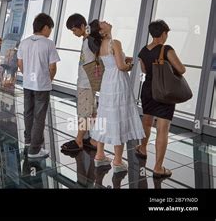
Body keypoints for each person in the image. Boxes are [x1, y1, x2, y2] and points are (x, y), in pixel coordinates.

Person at [88, 20, 145, 172]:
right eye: (102, 23)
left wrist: (124, 61)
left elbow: (112, 63)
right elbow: (121, 67)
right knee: (119, 116)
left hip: (108, 82)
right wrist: (130, 65)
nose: (105, 21)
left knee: (105, 115)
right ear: (102, 31)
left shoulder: (99, 46)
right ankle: (118, 161)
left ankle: (100, 156)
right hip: (118, 82)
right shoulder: (115, 43)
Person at [136, 20, 186, 179]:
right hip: (164, 92)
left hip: (148, 90)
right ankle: (158, 167)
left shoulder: (143, 50)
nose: (166, 36)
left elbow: (144, 69)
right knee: (162, 129)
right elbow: (181, 69)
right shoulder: (166, 49)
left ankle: (142, 149)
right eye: (166, 33)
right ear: (163, 33)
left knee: (147, 121)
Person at [17, 13, 60, 159]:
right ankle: (35, 150)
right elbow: (52, 67)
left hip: (27, 84)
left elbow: (20, 64)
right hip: (41, 86)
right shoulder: (48, 43)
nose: (50, 32)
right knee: (39, 117)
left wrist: (28, 76)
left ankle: (29, 141)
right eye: (50, 29)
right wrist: (48, 80)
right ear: (46, 27)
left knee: (28, 112)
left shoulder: (24, 42)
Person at [61, 13, 97, 152]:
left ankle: (79, 141)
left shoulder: (90, 41)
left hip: (86, 84)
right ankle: (93, 139)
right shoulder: (87, 40)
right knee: (91, 112)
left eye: (74, 30)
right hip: (87, 83)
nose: (73, 33)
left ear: (82, 26)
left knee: (84, 113)